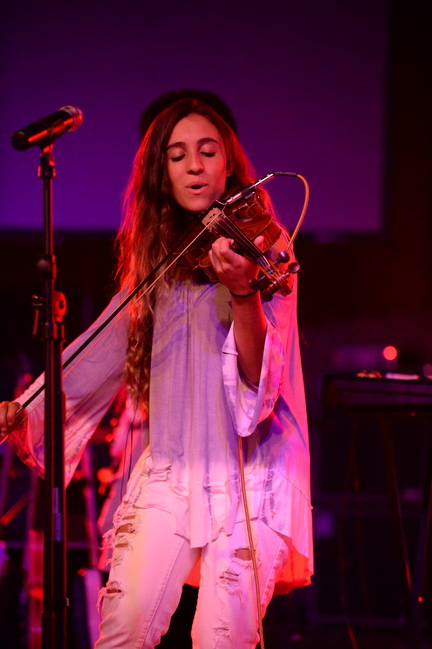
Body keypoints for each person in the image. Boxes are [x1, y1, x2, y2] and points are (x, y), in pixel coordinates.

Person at [0, 97, 313, 648]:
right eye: (177, 155)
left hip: (253, 476)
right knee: (122, 634)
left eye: (208, 151)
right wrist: (29, 408)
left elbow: (258, 387)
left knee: (219, 640)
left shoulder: (264, 247)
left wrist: (243, 294)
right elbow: (97, 351)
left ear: (228, 165)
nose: (194, 165)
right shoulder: (158, 262)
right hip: (172, 469)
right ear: (161, 173)